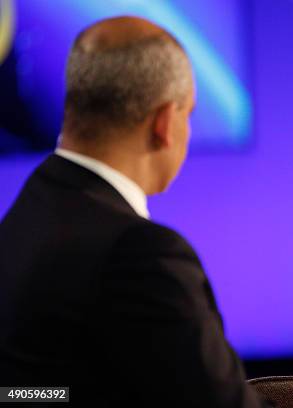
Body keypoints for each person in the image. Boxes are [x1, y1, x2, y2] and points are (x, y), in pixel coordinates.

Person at [0, 16, 266, 407]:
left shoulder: (30, 205)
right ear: (164, 123)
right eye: (188, 114)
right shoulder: (143, 255)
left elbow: (29, 394)